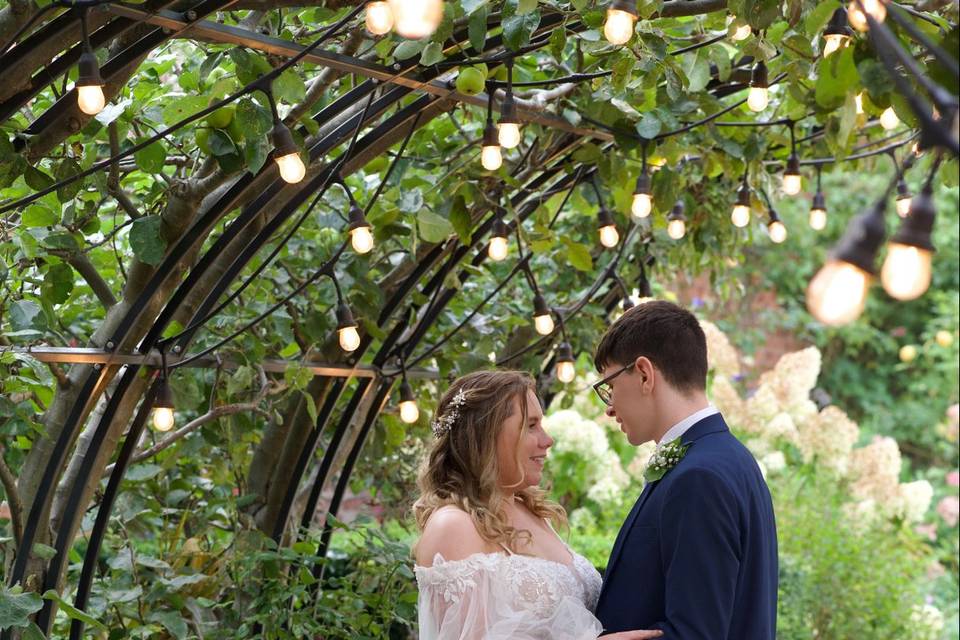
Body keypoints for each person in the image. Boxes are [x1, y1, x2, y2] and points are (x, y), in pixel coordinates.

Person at [413, 370, 662, 640]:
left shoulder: (530, 509)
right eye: (531, 426)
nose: (548, 440)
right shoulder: (453, 526)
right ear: (484, 436)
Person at [591, 300, 778, 638]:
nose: (610, 407)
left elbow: (696, 633)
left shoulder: (698, 477)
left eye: (611, 386)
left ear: (645, 374)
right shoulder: (729, 458)